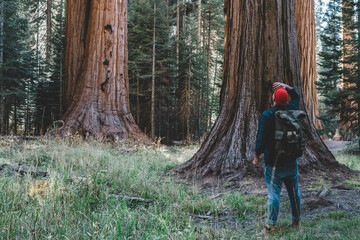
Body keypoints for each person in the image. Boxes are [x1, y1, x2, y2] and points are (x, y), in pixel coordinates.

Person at [253, 82, 301, 234]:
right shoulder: (292, 111)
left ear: (273, 99)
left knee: (274, 194)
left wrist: (256, 156)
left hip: (273, 162)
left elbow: (261, 138)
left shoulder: (267, 115)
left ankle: (271, 226)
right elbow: (297, 96)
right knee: (294, 192)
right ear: (286, 101)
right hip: (292, 160)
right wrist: (286, 86)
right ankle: (296, 220)